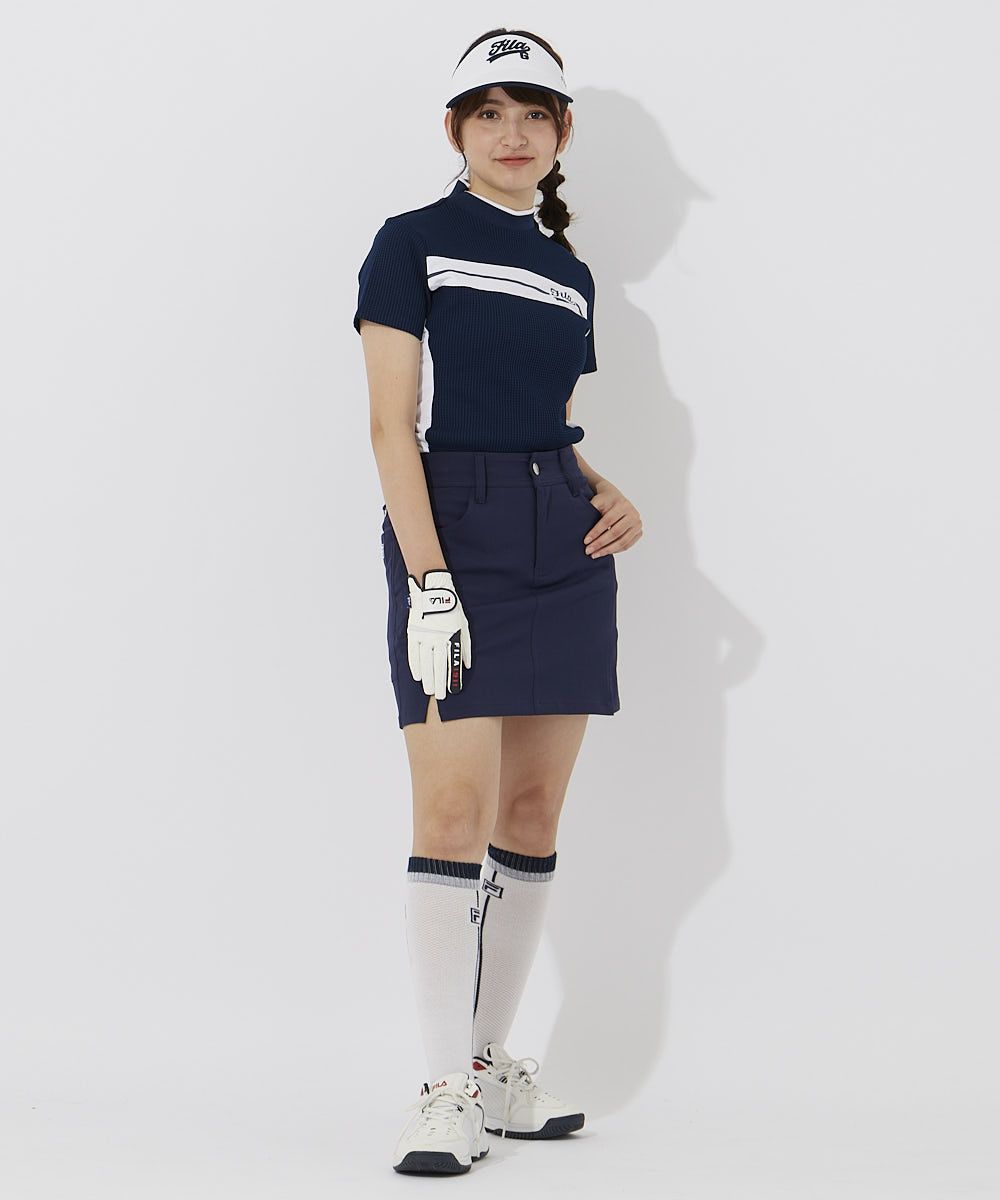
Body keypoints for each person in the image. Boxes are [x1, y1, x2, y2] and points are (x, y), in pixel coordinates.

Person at [354, 27, 643, 1176]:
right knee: (448, 813)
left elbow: (541, 419)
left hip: (560, 536)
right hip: (454, 530)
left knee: (528, 812)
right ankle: (440, 1093)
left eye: (532, 114)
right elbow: (393, 426)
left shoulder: (569, 274)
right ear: (455, 130)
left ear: (561, 132)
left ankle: (487, 1069)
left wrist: (601, 485)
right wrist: (430, 582)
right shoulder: (411, 242)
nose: (511, 134)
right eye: (489, 113)